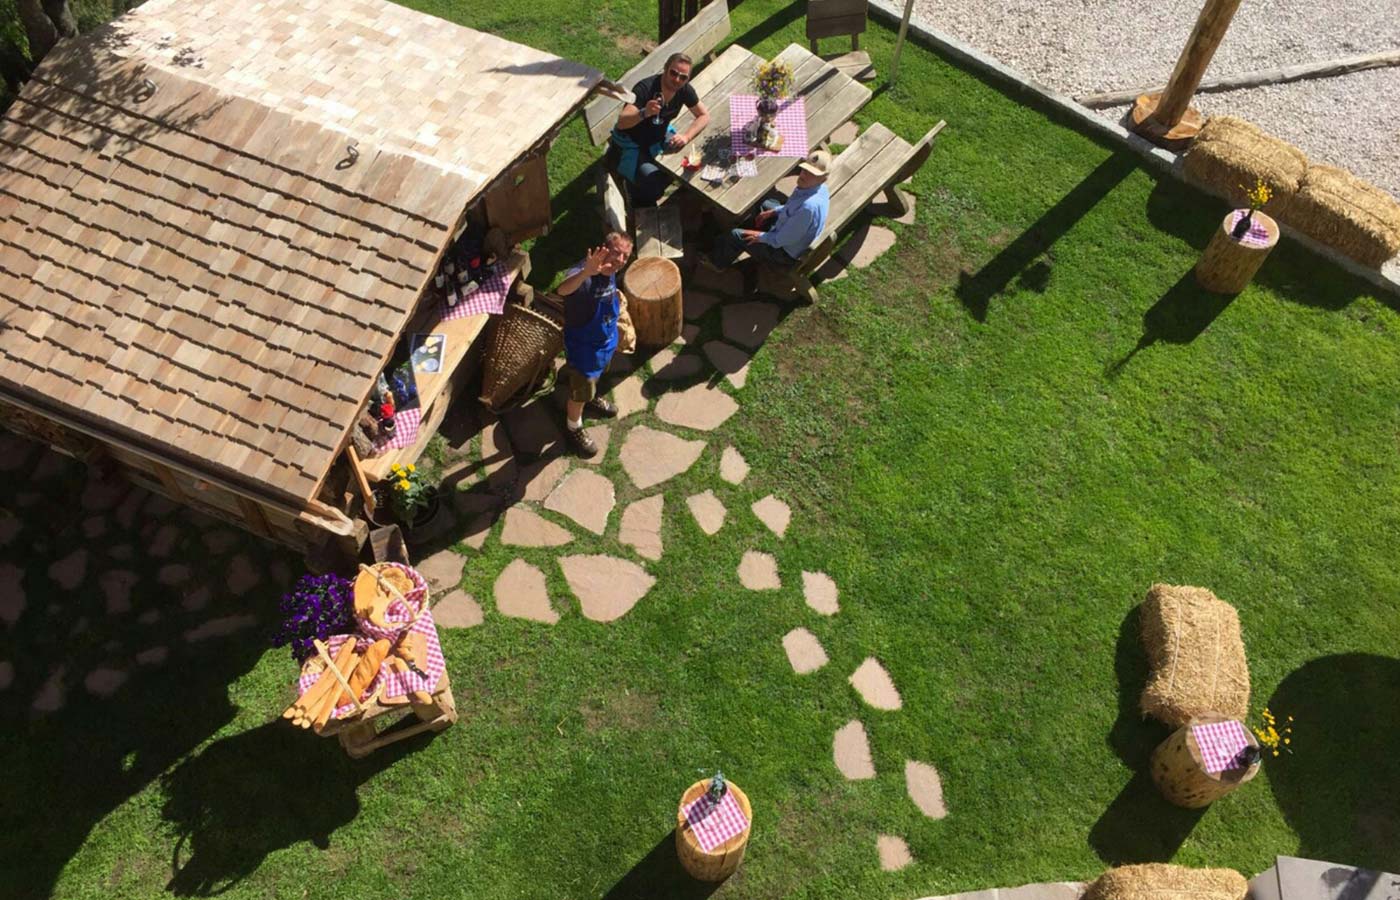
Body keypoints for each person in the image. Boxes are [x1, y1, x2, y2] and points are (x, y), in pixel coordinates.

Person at [556, 232, 634, 457]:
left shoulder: (611, 271)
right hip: (585, 349)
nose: (620, 260)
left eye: (625, 257)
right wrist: (586, 272)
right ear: (604, 249)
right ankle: (574, 427)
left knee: (597, 378)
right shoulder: (585, 273)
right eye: (616, 253)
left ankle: (591, 398)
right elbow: (562, 289)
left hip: (605, 342)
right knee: (579, 392)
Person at [607, 52, 710, 208]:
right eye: (673, 73)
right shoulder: (645, 88)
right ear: (665, 69)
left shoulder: (684, 90)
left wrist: (686, 136)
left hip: (658, 138)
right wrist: (644, 113)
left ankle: (652, 191)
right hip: (633, 144)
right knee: (654, 184)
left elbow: (703, 115)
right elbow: (622, 122)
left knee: (688, 163)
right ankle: (636, 196)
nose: (677, 79)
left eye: (683, 77)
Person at [707, 149, 831, 271]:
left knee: (735, 235)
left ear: (823, 178)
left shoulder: (808, 208)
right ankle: (742, 234)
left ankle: (715, 263)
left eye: (812, 174)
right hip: (787, 230)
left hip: (781, 253)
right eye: (805, 170)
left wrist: (759, 236)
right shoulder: (816, 188)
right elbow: (792, 208)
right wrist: (774, 211)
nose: (804, 175)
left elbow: (779, 240)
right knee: (764, 203)